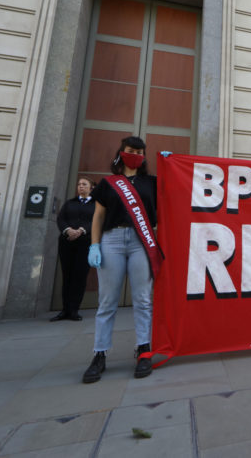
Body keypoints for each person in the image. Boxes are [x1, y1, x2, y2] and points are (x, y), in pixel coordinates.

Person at [83, 136, 159, 383]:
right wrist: (94, 245)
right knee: (107, 302)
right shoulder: (108, 183)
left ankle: (143, 350)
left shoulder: (153, 183)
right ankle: (100, 354)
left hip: (141, 242)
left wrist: (172, 162)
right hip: (112, 241)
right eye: (130, 150)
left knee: (143, 299)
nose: (135, 154)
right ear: (121, 152)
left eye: (139, 151)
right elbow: (98, 216)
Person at [50, 176, 95, 322]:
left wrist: (81, 230)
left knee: (79, 277)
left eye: (84, 184)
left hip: (85, 244)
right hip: (67, 243)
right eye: (79, 184)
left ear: (91, 187)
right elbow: (61, 219)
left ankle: (74, 309)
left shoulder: (96, 204)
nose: (81, 186)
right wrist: (68, 230)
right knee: (67, 276)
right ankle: (65, 310)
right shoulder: (70, 203)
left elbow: (96, 221)